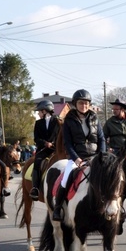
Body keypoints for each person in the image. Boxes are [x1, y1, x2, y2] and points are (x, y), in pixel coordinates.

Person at [51, 89, 106, 221]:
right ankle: (58, 207)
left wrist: (101, 155)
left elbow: (101, 139)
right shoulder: (68, 121)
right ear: (76, 104)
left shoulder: (95, 118)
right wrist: (76, 159)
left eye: (86, 103)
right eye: (81, 103)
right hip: (77, 157)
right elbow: (68, 143)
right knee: (66, 178)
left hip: (95, 156)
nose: (84, 105)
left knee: (109, 176)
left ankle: (115, 206)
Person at [29, 99, 60, 201]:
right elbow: (36, 138)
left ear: (45, 111)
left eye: (39, 111)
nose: (38, 113)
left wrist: (53, 143)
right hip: (43, 149)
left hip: (56, 149)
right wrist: (45, 143)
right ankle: (35, 188)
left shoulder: (57, 121)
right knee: (37, 162)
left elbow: (60, 135)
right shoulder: (38, 123)